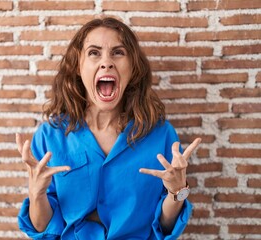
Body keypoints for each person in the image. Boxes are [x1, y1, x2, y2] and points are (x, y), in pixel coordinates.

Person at [16, 17, 201, 240]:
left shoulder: (161, 135)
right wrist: (37, 193)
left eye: (118, 52)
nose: (107, 62)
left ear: (133, 68)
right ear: (78, 66)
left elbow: (165, 226)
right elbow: (42, 228)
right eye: (94, 53)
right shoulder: (49, 136)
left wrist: (176, 191)